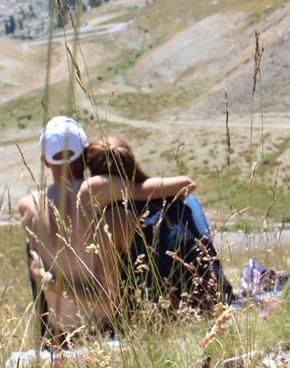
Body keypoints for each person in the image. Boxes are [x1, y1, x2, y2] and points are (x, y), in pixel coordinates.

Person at [17, 116, 195, 347]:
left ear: (45, 162)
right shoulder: (96, 189)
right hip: (105, 327)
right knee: (140, 218)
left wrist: (51, 282)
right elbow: (184, 186)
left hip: (60, 333)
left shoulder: (28, 205)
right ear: (85, 154)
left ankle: (45, 337)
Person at [85, 134, 233, 316]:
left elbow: (108, 287)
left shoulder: (112, 217)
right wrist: (137, 189)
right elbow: (188, 184)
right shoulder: (167, 199)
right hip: (213, 299)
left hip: (159, 312)